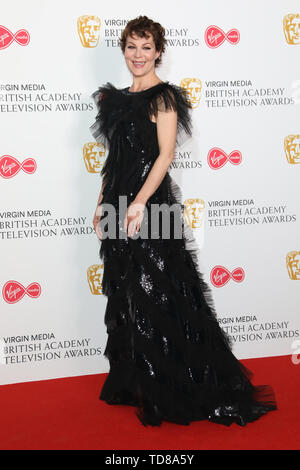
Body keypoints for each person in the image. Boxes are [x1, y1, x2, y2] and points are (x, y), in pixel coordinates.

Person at [90, 15, 277, 427]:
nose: (138, 55)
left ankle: (173, 383)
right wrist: (103, 200)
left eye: (146, 47)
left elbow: (165, 156)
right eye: (131, 47)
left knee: (161, 291)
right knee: (127, 292)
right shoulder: (115, 99)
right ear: (123, 50)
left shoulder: (164, 99)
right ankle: (138, 378)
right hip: (119, 201)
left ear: (159, 51)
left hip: (150, 205)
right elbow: (115, 156)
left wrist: (138, 203)